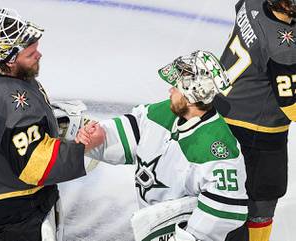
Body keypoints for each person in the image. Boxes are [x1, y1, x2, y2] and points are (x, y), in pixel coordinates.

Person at [0, 8, 102, 241]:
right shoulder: (15, 108)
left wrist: (43, 122)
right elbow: (37, 166)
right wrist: (83, 147)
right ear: (10, 60)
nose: (39, 55)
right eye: (31, 53)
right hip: (8, 201)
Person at [76, 50, 249, 241]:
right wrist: (101, 136)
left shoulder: (217, 149)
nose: (170, 89)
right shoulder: (163, 113)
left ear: (194, 92)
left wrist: (185, 238)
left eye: (176, 85)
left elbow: (223, 212)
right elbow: (133, 130)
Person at [213, 1, 296, 240]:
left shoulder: (252, 2)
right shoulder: (283, 49)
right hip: (257, 131)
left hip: (223, 107)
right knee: (261, 200)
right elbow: (292, 108)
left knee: (225, 197)